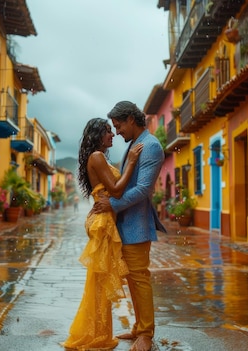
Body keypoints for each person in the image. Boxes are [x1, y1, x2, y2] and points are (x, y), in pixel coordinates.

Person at [62, 118, 144, 350]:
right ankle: (94, 334)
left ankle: (98, 331)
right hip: (103, 222)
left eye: (112, 130)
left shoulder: (99, 157)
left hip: (105, 219)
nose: (113, 135)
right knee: (99, 281)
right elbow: (116, 191)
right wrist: (131, 162)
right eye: (108, 131)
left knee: (100, 282)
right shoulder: (97, 157)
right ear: (97, 135)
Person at [92, 101, 165, 351]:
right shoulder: (135, 144)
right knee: (132, 279)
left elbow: (144, 189)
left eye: (119, 125)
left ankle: (146, 333)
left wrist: (111, 204)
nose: (117, 131)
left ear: (131, 120)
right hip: (124, 226)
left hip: (137, 225)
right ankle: (138, 327)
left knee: (139, 278)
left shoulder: (151, 146)